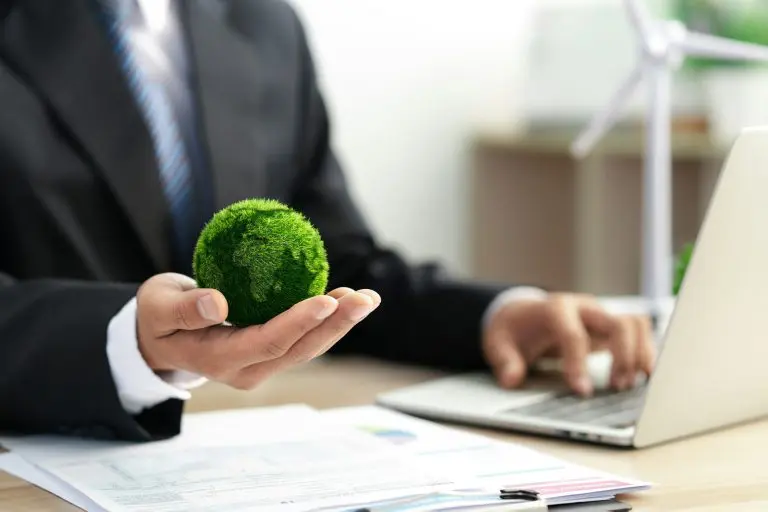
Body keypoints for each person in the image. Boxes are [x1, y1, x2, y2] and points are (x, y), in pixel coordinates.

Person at [0, 0, 655, 442]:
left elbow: (336, 270)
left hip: (239, 459)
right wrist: (129, 341)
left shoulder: (262, 25)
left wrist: (497, 316)